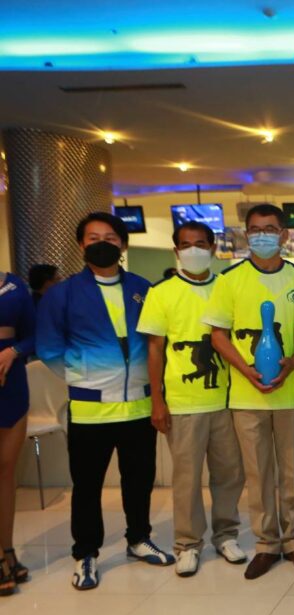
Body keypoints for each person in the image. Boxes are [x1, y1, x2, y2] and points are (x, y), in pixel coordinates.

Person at [37, 212, 173, 590]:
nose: (102, 244)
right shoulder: (62, 294)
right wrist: (85, 376)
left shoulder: (143, 288)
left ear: (123, 244)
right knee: (87, 486)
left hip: (139, 407)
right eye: (94, 238)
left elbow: (157, 342)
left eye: (111, 238)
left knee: (139, 480)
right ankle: (85, 552)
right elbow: (49, 347)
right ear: (81, 244)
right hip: (90, 410)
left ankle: (138, 538)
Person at [204, 204, 294, 580]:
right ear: (246, 234)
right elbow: (218, 336)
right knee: (257, 473)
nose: (262, 235)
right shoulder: (230, 280)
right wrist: (245, 370)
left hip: (292, 394)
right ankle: (266, 544)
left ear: (284, 235)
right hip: (246, 396)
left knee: (292, 473)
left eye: (270, 229)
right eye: (255, 229)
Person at [136, 221, 246, 577]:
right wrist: (157, 401)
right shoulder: (161, 293)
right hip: (183, 403)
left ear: (213, 248)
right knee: (186, 479)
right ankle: (187, 543)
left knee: (230, 474)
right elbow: (155, 350)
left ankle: (226, 535)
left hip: (227, 400)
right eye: (186, 245)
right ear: (176, 251)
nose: (194, 250)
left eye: (201, 243)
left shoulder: (228, 286)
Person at [0, 268, 34, 596]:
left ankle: (7, 548)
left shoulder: (15, 285)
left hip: (11, 383)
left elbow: (33, 335)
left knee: (7, 472)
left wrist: (14, 351)